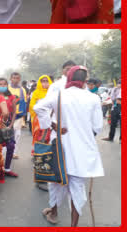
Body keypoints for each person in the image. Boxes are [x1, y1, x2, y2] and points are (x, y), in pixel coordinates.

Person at [34, 66, 104, 227]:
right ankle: (74, 225)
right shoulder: (93, 98)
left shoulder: (59, 95)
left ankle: (54, 212)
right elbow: (97, 127)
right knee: (77, 188)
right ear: (85, 81)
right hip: (83, 150)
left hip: (60, 147)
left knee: (55, 182)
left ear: (69, 78)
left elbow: (38, 107)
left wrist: (52, 125)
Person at [0, 77, 19, 178]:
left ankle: (7, 169)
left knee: (10, 146)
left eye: (4, 84)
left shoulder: (11, 97)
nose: (2, 86)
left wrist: (11, 124)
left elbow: (14, 112)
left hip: (8, 124)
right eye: (0, 84)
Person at [7, 72, 28, 156]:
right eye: (14, 78)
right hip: (8, 114)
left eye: (17, 78)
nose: (15, 80)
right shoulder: (7, 88)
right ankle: (4, 151)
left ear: (20, 79)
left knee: (17, 134)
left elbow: (24, 102)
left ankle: (13, 152)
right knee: (6, 133)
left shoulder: (22, 89)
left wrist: (23, 115)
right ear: (10, 78)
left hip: (18, 115)